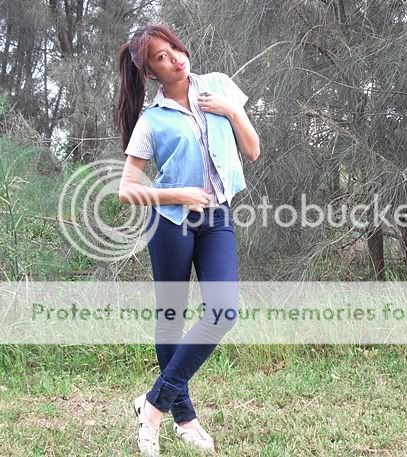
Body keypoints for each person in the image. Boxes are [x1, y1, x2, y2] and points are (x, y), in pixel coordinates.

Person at [116, 23, 260, 456]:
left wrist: (230, 110)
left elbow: (252, 150)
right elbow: (126, 189)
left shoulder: (219, 86)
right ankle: (185, 419)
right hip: (169, 223)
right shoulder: (151, 120)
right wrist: (176, 194)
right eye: (161, 57)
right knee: (171, 319)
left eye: (174, 49)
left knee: (223, 311)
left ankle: (152, 406)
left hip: (217, 217)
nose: (175, 59)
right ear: (150, 72)